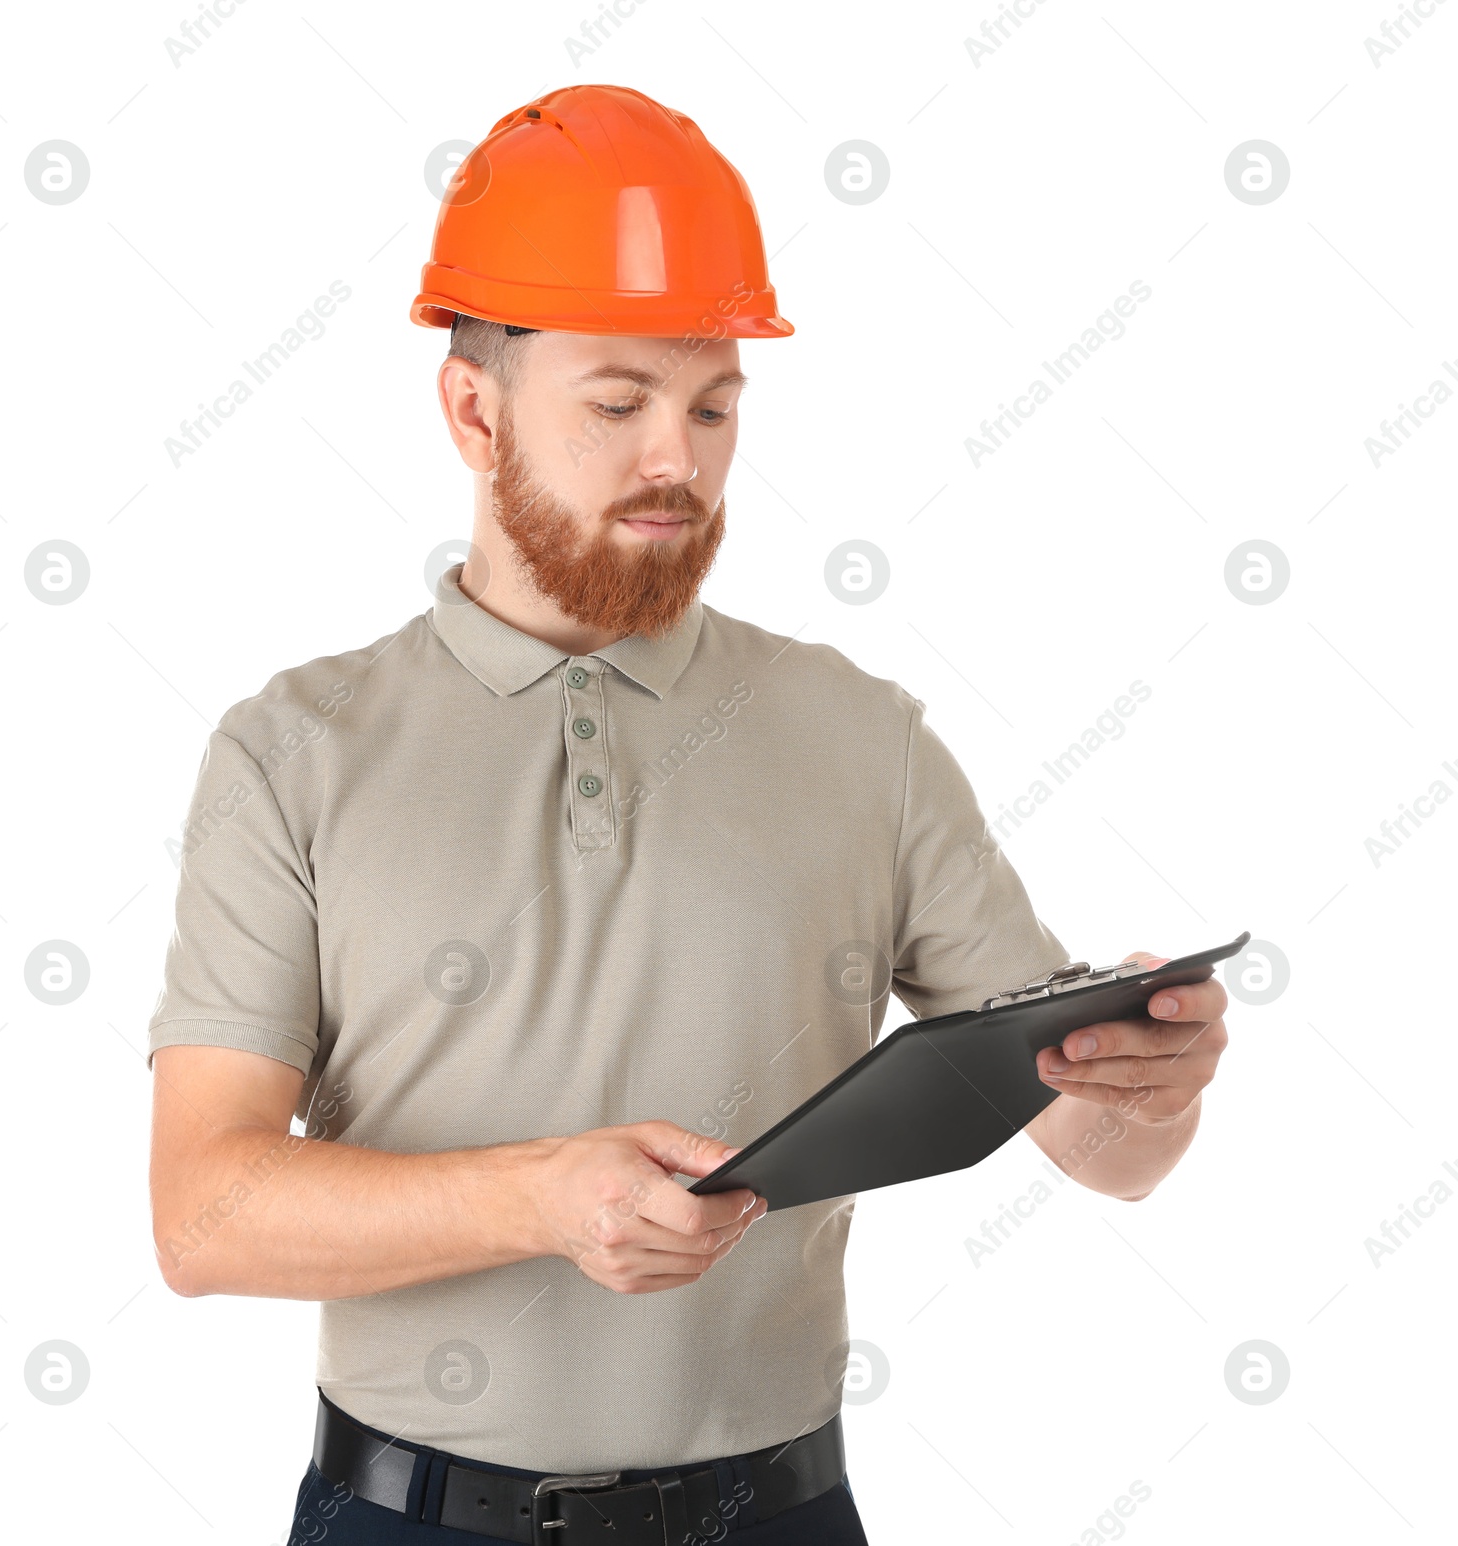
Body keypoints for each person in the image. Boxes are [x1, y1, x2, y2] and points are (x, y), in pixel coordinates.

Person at [146, 83, 1230, 1545]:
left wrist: (1147, 1086)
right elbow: (201, 1213)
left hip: (777, 1514)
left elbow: (1109, 1156)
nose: (681, 459)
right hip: (406, 1519)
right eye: (618, 404)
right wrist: (544, 1194)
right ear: (473, 408)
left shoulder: (865, 738)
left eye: (714, 404)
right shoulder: (292, 752)